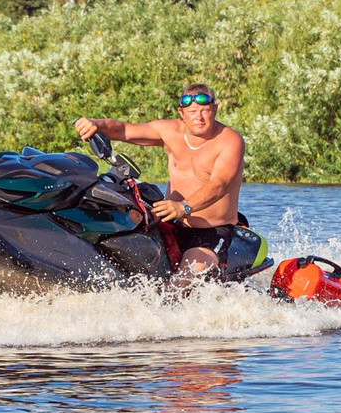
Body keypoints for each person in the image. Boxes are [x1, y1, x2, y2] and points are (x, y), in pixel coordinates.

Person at [75, 84, 254, 275]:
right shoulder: (170, 131)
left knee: (183, 281)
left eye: (205, 111)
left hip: (211, 230)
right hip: (170, 221)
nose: (199, 117)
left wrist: (183, 206)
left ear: (215, 110)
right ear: (182, 113)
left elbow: (220, 185)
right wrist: (95, 124)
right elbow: (124, 130)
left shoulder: (230, 141)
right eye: (192, 112)